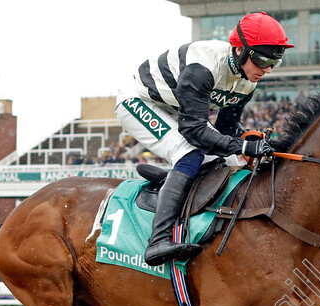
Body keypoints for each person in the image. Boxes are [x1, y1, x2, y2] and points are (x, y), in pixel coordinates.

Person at [114, 11, 292, 266]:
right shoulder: (204, 67)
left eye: (276, 61)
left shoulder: (247, 81)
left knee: (232, 160)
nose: (268, 70)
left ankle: (173, 184)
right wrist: (244, 145)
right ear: (240, 50)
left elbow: (226, 127)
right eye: (263, 59)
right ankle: (158, 240)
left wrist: (248, 140)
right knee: (190, 152)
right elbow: (194, 131)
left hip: (177, 110)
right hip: (139, 101)